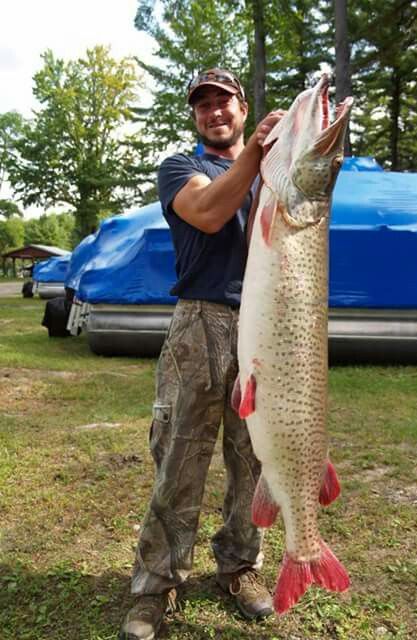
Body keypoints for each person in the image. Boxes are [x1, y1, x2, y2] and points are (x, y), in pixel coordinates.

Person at [119, 69, 285, 640]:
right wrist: (259, 151)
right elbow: (212, 213)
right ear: (196, 117)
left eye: (225, 102)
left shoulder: (272, 171)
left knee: (254, 459)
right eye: (203, 105)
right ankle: (153, 589)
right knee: (179, 461)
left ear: (243, 106)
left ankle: (240, 567)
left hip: (263, 329)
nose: (214, 112)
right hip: (200, 322)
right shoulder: (180, 169)